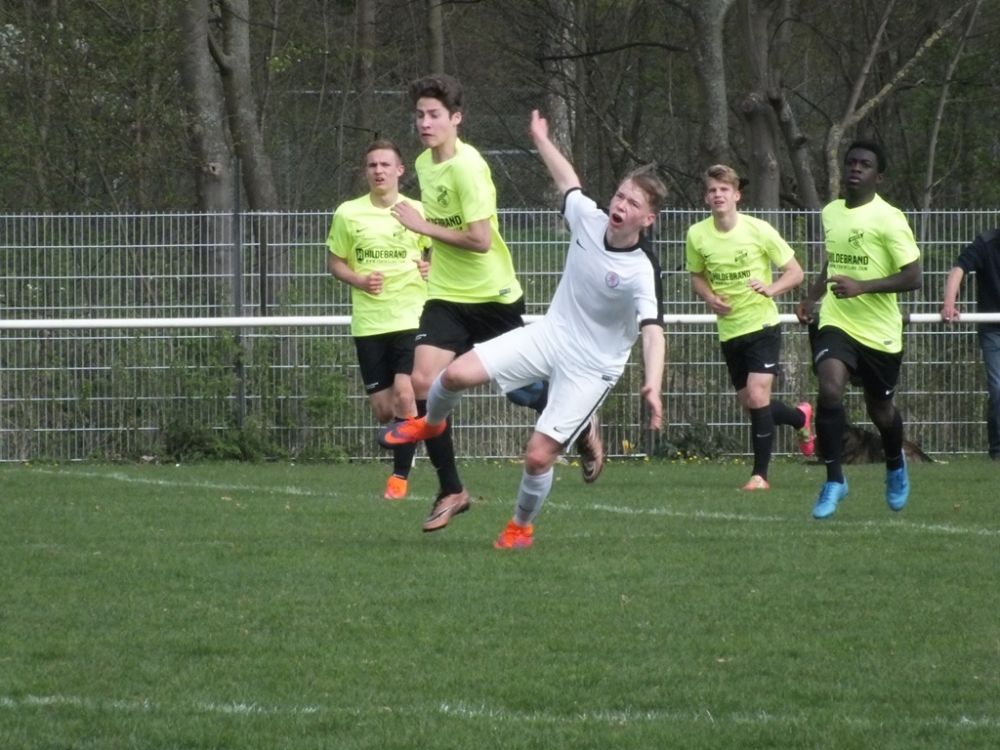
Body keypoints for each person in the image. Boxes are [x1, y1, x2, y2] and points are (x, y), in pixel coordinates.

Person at [379, 109, 666, 549]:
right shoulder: (589, 218)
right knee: (452, 376)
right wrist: (541, 139)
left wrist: (653, 383)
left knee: (537, 457)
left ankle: (520, 527)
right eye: (620, 196)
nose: (620, 206)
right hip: (551, 334)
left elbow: (653, 331)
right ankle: (429, 425)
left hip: (592, 367)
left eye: (632, 204)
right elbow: (569, 182)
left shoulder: (642, 270)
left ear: (647, 220)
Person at [387, 74, 599, 533]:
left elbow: (480, 240)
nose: (424, 123)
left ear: (456, 119)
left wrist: (423, 228)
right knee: (423, 381)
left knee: (522, 392)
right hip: (446, 295)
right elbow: (448, 228)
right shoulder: (423, 163)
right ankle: (451, 489)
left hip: (492, 297)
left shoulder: (469, 167)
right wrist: (431, 253)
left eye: (434, 115)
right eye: (419, 115)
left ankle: (580, 420)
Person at [796, 140, 922, 519]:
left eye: (865, 165)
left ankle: (895, 463)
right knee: (829, 391)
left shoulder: (890, 218)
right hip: (838, 320)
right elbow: (833, 261)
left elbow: (913, 276)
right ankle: (835, 479)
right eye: (851, 162)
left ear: (878, 177)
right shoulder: (831, 212)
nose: (855, 168)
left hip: (880, 331)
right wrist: (812, 297)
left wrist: (862, 287)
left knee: (880, 410)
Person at [685, 164, 813, 490]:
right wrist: (710, 297)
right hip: (730, 331)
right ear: (706, 197)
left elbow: (795, 272)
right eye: (712, 190)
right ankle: (800, 418)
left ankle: (760, 476)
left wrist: (771, 289)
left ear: (736, 196)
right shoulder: (697, 235)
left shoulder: (758, 229)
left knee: (757, 396)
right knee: (753, 404)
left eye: (724, 190)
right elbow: (696, 276)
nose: (718, 195)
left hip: (762, 326)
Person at [327, 140, 431, 500]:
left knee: (405, 393)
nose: (379, 171)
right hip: (370, 323)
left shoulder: (418, 211)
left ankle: (398, 479)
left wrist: (431, 267)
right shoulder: (348, 213)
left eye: (385, 165)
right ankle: (423, 419)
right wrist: (358, 280)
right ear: (365, 172)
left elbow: (439, 253)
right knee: (385, 411)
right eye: (372, 165)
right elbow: (335, 262)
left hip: (412, 316)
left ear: (400, 171)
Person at [941, 227, 1000, 461]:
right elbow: (959, 269)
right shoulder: (986, 242)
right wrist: (949, 303)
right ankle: (998, 451)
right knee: (998, 389)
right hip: (993, 331)